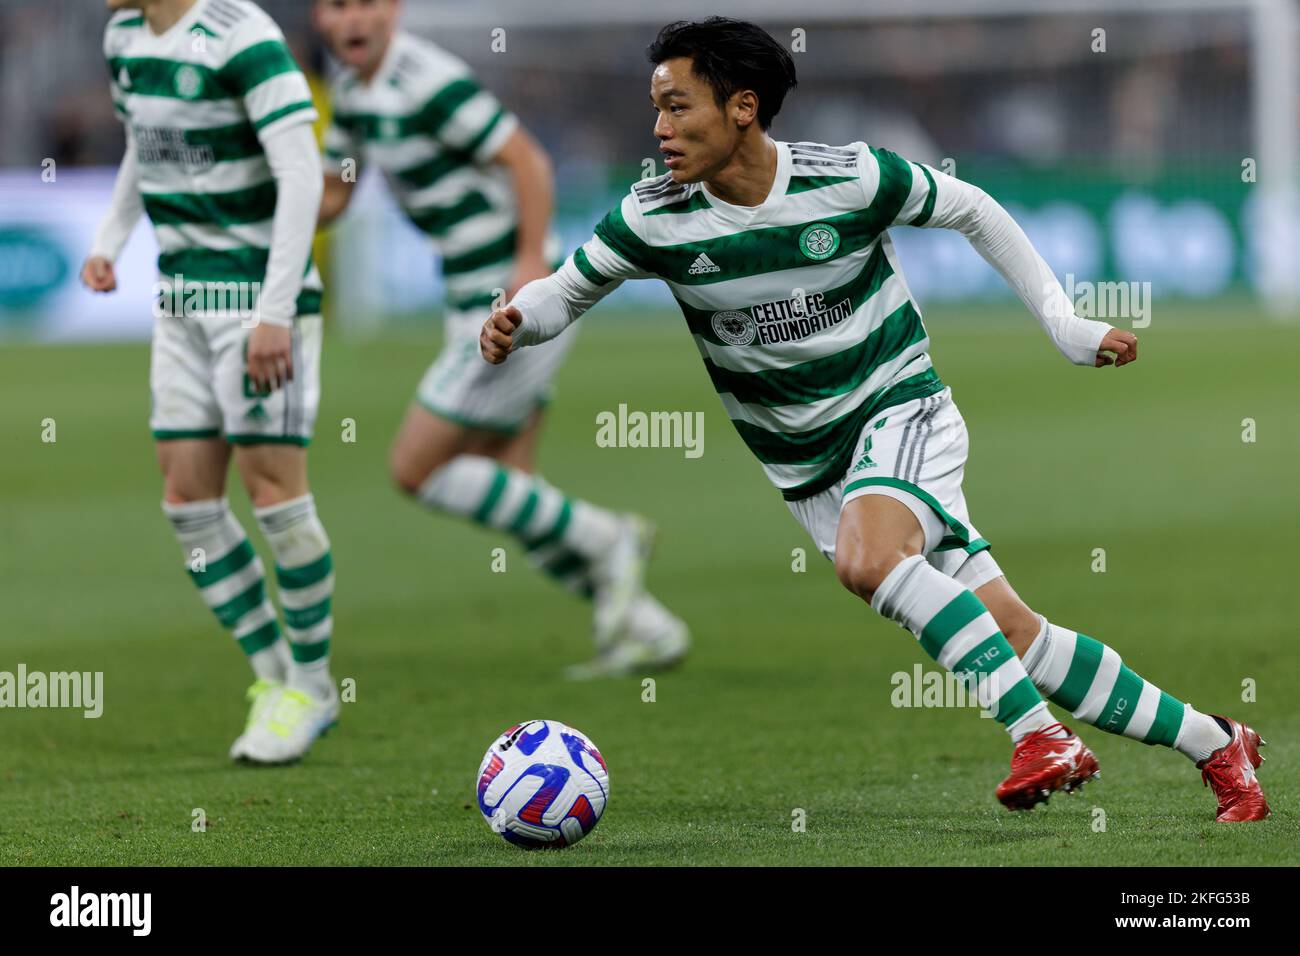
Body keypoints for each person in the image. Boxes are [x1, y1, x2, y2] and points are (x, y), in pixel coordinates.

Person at [480, 17, 1268, 819]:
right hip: (808, 470)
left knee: (866, 561)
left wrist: (1065, 323)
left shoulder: (848, 178)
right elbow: (567, 289)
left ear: (743, 107)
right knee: (1017, 636)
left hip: (901, 410)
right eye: (657, 108)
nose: (659, 129)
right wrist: (519, 318)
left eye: (678, 107)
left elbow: (974, 208)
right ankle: (1217, 743)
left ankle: (1040, 736)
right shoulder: (658, 217)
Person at [312, 0, 688, 678]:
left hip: (510, 300)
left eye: (365, 2)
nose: (351, 20)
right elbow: (335, 193)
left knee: (415, 469)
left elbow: (527, 161)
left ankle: (610, 538)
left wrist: (527, 269)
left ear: (392, 9)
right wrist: (259, 201)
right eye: (336, 6)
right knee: (515, 490)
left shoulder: (426, 79)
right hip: (470, 300)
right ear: (319, 17)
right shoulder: (351, 92)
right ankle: (647, 627)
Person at [84, 0, 339, 763]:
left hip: (255, 301)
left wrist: (274, 310)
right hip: (179, 299)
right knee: (187, 502)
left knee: (274, 494)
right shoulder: (124, 34)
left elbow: (303, 177)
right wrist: (110, 239)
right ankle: (274, 680)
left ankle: (315, 682)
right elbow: (144, 143)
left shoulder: (243, 35)